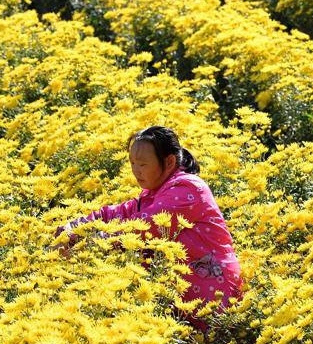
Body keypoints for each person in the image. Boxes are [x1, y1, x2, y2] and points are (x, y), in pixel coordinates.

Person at [56, 126, 242, 324]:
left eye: (143, 164)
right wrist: (71, 229)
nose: (136, 171)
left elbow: (141, 228)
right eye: (133, 163)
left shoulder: (188, 189)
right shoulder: (154, 192)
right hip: (183, 297)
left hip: (214, 296)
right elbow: (114, 214)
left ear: (169, 161)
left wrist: (89, 241)